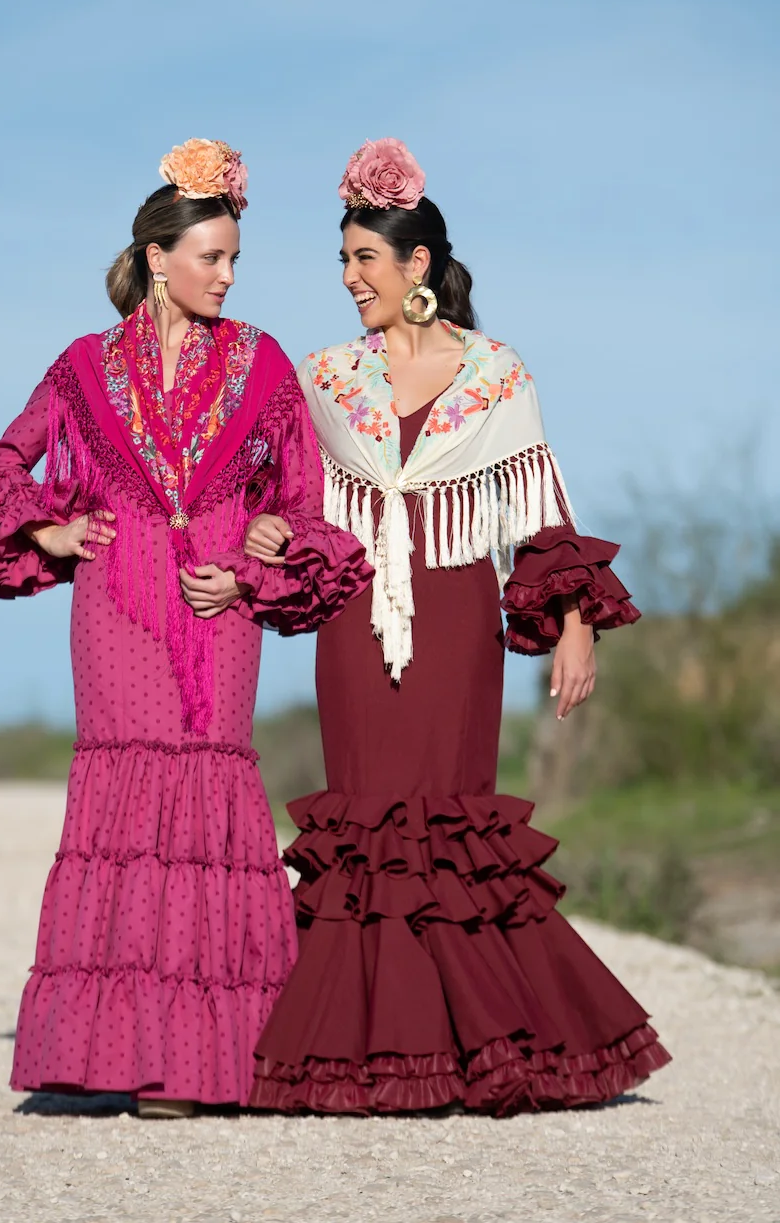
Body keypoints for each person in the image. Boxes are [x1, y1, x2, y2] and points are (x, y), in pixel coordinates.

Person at [0, 139, 371, 1116]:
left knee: (210, 795)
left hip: (218, 609)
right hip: (115, 602)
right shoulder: (83, 367)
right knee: (125, 809)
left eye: (233, 260)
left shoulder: (261, 366)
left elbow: (303, 502)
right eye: (209, 256)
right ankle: (123, 1056)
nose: (225, 275)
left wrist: (251, 571)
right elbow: (6, 463)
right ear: (158, 256)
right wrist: (50, 524)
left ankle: (213, 1063)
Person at [239, 138, 672, 1115]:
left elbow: (538, 512)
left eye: (363, 260)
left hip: (454, 615)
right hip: (352, 617)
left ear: (415, 265)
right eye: (343, 262)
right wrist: (269, 524)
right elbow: (285, 492)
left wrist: (571, 626)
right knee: (364, 827)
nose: (349, 279)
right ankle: (364, 1057)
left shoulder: (495, 374)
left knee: (445, 826)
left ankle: (491, 1047)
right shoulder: (323, 376)